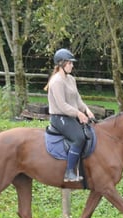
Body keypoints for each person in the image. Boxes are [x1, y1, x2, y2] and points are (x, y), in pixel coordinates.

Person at [45, 48, 95, 182]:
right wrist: (78, 113)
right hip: (59, 117)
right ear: (61, 64)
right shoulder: (56, 82)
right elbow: (62, 105)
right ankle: (69, 172)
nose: (72, 65)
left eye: (72, 63)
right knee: (79, 137)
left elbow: (77, 99)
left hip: (70, 115)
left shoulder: (71, 79)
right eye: (70, 63)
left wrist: (86, 110)